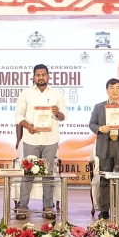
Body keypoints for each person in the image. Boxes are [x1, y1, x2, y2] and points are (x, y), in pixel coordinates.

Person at [14, 64, 68, 220]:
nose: (41, 77)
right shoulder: (26, 93)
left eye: (43, 74)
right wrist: (28, 126)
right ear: (33, 77)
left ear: (48, 76)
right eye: (38, 75)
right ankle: (23, 207)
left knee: (48, 174)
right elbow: (18, 115)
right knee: (28, 173)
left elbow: (64, 116)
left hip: (51, 139)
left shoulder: (57, 94)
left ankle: (48, 207)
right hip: (31, 139)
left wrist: (57, 113)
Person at [89, 78, 119, 219]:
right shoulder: (99, 107)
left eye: (118, 88)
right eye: (112, 88)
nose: (115, 91)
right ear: (107, 90)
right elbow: (92, 124)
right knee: (105, 178)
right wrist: (100, 128)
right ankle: (104, 209)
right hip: (106, 145)